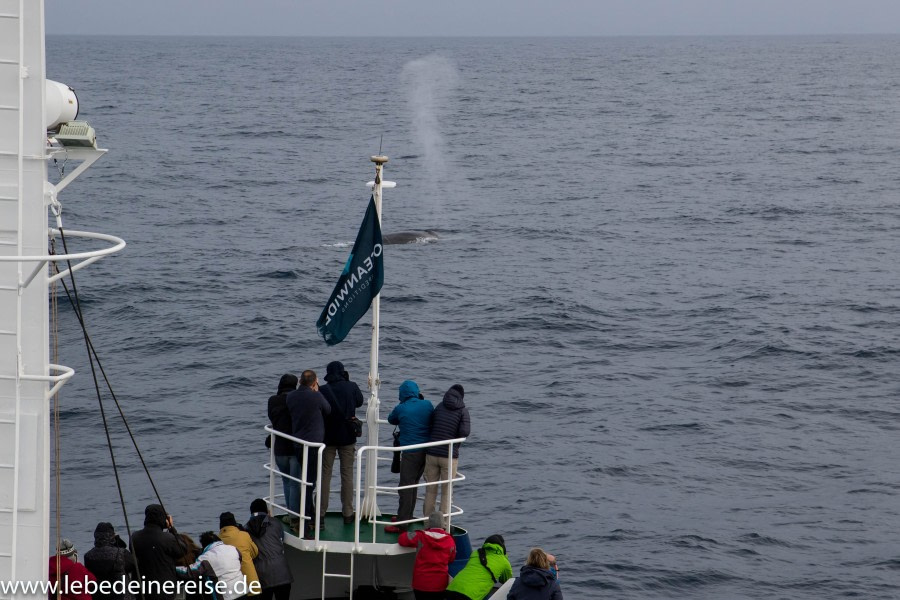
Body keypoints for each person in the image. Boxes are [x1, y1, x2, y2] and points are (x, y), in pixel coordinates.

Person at [318, 361, 365, 525]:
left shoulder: (323, 390)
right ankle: (348, 513)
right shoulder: (351, 386)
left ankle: (321, 513)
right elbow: (359, 401)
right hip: (347, 437)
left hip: (328, 437)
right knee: (347, 475)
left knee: (325, 475)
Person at [286, 369, 331, 537]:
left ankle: (309, 517)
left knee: (305, 481)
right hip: (313, 444)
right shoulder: (316, 396)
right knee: (309, 484)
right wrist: (317, 392)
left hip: (298, 443)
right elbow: (328, 410)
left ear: (299, 381)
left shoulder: (291, 397)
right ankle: (308, 520)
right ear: (314, 383)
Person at [385, 380, 433, 533]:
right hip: (426, 452)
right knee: (414, 485)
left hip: (410, 453)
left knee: (405, 487)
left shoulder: (401, 408)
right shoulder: (427, 405)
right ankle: (407, 516)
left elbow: (391, 419)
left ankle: (402, 523)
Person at [422, 384, 470, 522]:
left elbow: (431, 424)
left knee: (430, 490)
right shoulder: (462, 411)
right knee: (446, 492)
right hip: (449, 456)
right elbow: (465, 432)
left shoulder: (439, 406)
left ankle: (427, 521)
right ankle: (443, 525)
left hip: (432, 453)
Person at [130, 504, 188, 600]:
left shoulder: (134, 537)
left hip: (142, 589)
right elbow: (182, 550)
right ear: (163, 519)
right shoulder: (168, 538)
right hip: (164, 589)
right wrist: (172, 528)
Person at [397, 511, 456, 600]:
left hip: (421, 584)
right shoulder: (450, 541)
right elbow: (451, 559)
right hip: (440, 585)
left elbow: (402, 539)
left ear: (429, 524)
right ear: (443, 525)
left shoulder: (420, 536)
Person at [244, 499, 293, 600]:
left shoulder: (245, 529)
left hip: (262, 577)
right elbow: (281, 540)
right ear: (266, 510)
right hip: (282, 574)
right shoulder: (275, 523)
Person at [267, 374, 300, 516]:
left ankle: (289, 513)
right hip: (295, 447)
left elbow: (272, 418)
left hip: (279, 448)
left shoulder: (273, 400)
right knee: (295, 484)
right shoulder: (298, 399)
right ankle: (295, 515)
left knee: (286, 482)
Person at [177, 532, 244, 600]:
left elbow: (190, 572)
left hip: (225, 597)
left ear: (204, 545)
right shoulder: (233, 549)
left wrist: (172, 568)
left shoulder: (206, 557)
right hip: (242, 591)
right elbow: (240, 559)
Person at [444, 534, 513, 600]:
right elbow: (507, 581)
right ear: (503, 547)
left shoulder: (476, 553)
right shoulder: (504, 561)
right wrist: (504, 556)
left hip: (451, 589)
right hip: (469, 595)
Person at [83, 523, 137, 600]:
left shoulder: (88, 556)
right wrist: (118, 542)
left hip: (99, 596)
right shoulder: (121, 553)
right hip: (121, 596)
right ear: (112, 536)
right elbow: (134, 564)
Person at [218, 512, 261, 596]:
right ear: (234, 522)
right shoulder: (244, 535)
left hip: (232, 591)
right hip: (251, 583)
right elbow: (255, 553)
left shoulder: (217, 541)